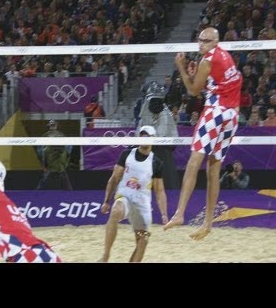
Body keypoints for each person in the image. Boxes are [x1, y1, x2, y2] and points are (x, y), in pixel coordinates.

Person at [164, 27, 243, 240]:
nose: (201, 44)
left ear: (215, 42)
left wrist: (181, 68)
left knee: (193, 162)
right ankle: (208, 223)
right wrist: (200, 77)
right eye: (200, 40)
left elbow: (192, 91)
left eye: (206, 41)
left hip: (216, 113)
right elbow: (218, 82)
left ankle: (180, 213)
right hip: (232, 116)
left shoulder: (207, 60)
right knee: (213, 170)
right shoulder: (225, 55)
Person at [99, 125, 168, 262]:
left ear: (153, 139)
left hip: (142, 202)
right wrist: (107, 200)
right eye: (141, 135)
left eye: (147, 136)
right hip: (125, 195)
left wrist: (164, 214)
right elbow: (114, 179)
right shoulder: (127, 154)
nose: (143, 138)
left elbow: (159, 191)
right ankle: (105, 256)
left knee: (142, 241)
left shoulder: (156, 162)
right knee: (115, 212)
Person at [36, 120, 73, 190]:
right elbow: (69, 150)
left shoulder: (61, 136)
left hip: (56, 164)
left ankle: (37, 193)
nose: (52, 126)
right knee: (64, 181)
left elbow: (40, 151)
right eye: (51, 125)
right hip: (55, 164)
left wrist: (43, 162)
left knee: (45, 181)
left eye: (53, 125)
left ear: (56, 126)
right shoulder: (46, 136)